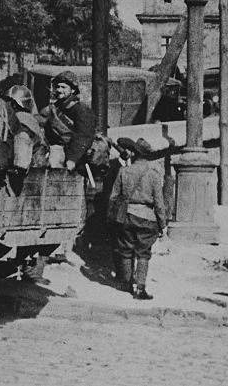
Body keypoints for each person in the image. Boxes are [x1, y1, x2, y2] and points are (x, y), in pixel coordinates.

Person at [106, 138, 166, 300]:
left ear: (134, 153)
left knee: (125, 250)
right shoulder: (153, 174)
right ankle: (140, 288)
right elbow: (159, 203)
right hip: (146, 217)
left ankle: (127, 284)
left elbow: (113, 198)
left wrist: (111, 218)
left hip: (126, 216)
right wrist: (162, 224)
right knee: (143, 253)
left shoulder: (123, 172)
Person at [41, 71, 95, 172]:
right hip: (55, 152)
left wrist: (72, 159)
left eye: (63, 87)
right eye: (57, 87)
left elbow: (83, 137)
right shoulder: (54, 108)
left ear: (73, 90)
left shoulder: (81, 110)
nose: (59, 90)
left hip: (74, 156)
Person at [5, 85, 49, 172]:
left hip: (29, 167)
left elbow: (22, 145)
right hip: (37, 164)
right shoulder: (29, 117)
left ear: (14, 104)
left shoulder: (20, 118)